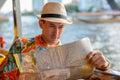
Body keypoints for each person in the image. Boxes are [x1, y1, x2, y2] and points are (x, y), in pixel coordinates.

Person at [2, 2, 111, 80]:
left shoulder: (72, 54)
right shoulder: (21, 45)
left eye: (61, 27)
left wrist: (104, 65)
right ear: (41, 24)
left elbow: (90, 75)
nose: (56, 32)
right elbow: (4, 76)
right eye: (51, 26)